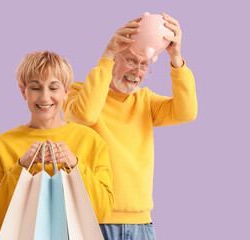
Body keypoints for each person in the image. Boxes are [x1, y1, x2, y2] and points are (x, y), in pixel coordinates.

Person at [62, 13, 197, 239]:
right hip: (91, 221)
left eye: (144, 64)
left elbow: (187, 112)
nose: (137, 71)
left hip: (141, 225)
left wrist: (176, 58)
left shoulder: (145, 101)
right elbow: (86, 115)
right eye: (131, 60)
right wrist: (107, 53)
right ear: (113, 59)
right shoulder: (77, 93)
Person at [0, 51, 114, 239]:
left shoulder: (91, 141)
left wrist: (75, 165)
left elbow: (102, 212)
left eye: (53, 88)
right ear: (23, 92)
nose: (45, 98)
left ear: (66, 92)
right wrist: (21, 167)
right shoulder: (3, 144)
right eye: (35, 88)